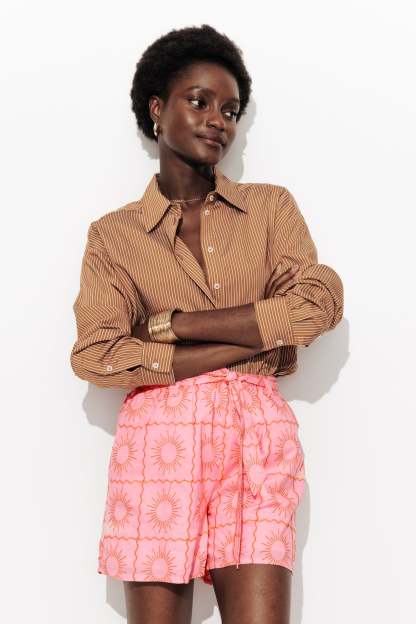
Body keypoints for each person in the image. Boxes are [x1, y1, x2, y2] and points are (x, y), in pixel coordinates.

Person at [70, 23, 343, 624]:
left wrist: (173, 324)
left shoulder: (270, 208)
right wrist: (255, 341)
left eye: (231, 110)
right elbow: (96, 355)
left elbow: (318, 303)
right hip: (158, 443)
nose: (219, 120)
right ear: (157, 108)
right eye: (199, 102)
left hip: (256, 440)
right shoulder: (114, 236)